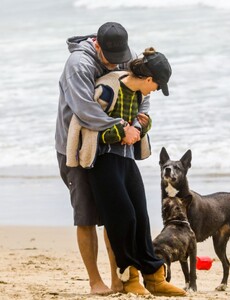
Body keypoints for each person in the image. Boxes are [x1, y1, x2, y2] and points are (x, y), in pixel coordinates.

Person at [68, 47, 187, 297]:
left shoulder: (137, 94)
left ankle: (154, 277)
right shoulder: (107, 88)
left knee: (141, 219)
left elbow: (142, 120)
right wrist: (121, 132)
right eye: (156, 86)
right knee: (123, 218)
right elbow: (87, 124)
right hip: (102, 160)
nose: (154, 91)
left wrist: (140, 126)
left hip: (126, 159)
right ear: (147, 79)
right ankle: (129, 276)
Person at [55, 22, 143, 295]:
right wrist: (121, 128)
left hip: (111, 146)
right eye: (110, 60)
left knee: (114, 213)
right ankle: (95, 281)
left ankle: (119, 279)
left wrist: (139, 124)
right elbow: (85, 110)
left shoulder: (124, 56)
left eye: (121, 60)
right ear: (97, 45)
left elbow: (140, 89)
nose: (117, 65)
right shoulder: (78, 64)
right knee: (86, 216)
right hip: (76, 148)